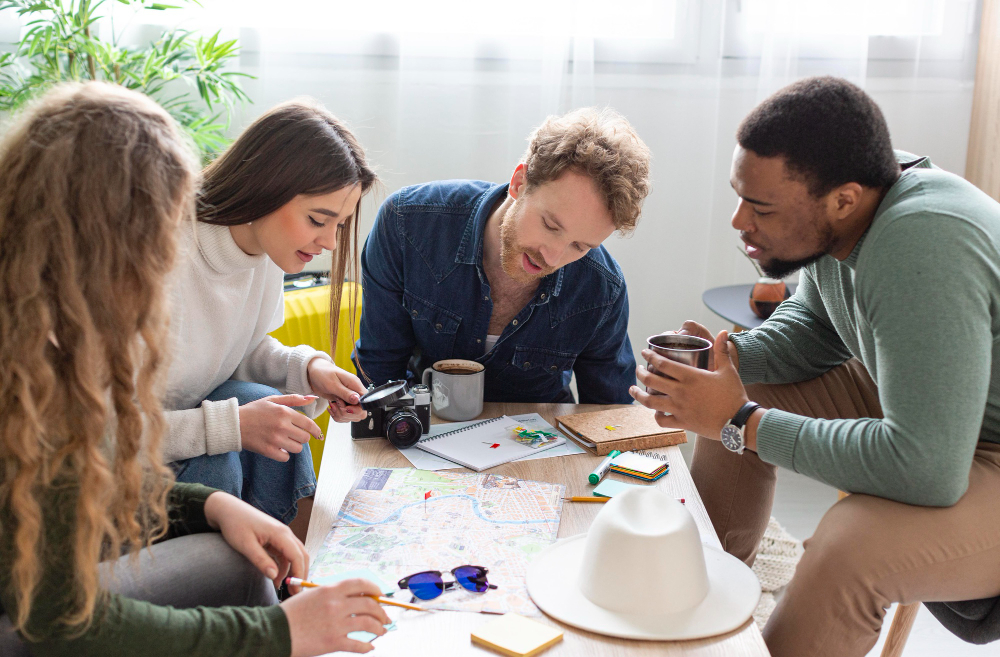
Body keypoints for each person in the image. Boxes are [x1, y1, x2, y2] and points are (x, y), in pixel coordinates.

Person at [0, 82, 390, 657]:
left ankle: (288, 575)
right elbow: (63, 617)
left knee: (235, 549)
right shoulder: (35, 363)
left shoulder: (48, 328)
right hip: (34, 613)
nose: (164, 261)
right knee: (235, 556)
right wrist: (277, 635)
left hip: (51, 560)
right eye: (158, 238)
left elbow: (74, 485)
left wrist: (205, 505)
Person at [632, 76, 1000, 656]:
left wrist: (741, 422)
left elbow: (929, 468)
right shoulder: (857, 207)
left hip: (971, 454)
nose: (738, 221)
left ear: (843, 199)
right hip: (945, 420)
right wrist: (725, 365)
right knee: (737, 383)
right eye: (738, 196)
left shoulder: (922, 243)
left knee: (849, 547)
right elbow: (814, 331)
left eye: (760, 207)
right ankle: (697, 614)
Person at [165, 100, 377, 532]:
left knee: (273, 411)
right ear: (266, 186)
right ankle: (258, 587)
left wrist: (309, 369)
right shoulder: (164, 257)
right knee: (223, 453)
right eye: (319, 220)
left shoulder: (265, 252)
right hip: (116, 467)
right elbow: (97, 433)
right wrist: (231, 426)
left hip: (179, 434)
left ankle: (297, 567)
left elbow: (238, 348)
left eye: (339, 225)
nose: (331, 244)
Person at [354, 108, 651, 403]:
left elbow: (611, 415)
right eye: (550, 226)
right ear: (519, 183)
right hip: (425, 426)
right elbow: (380, 374)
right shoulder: (407, 224)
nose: (552, 257)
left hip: (542, 440)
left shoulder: (602, 288)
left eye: (580, 246)